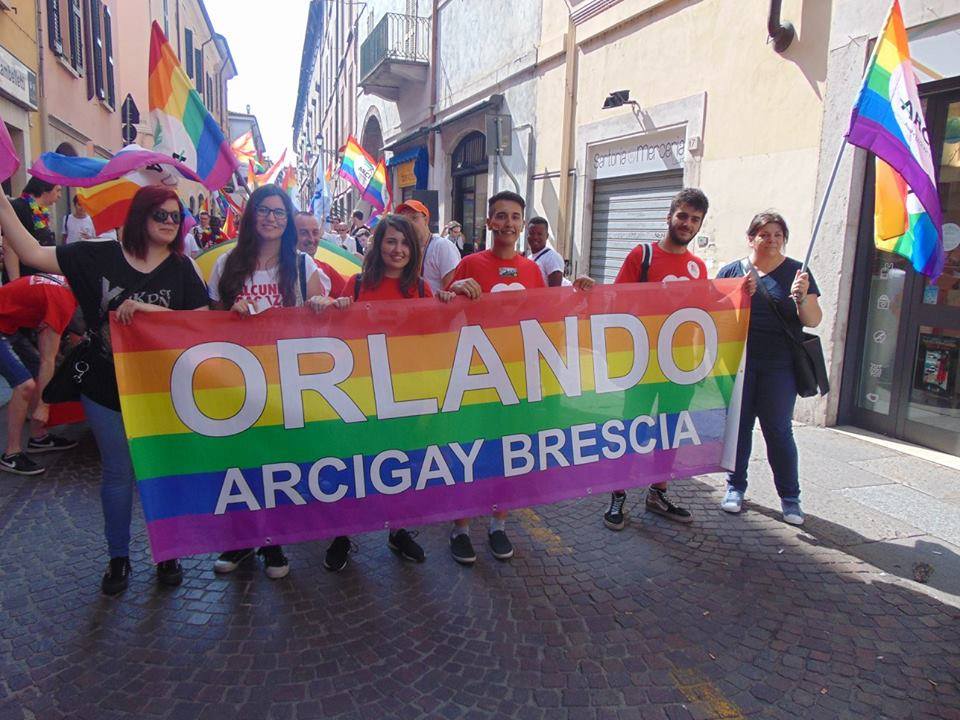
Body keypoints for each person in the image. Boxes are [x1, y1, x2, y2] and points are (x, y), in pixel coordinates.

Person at [0, 185, 210, 595]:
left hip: (162, 388)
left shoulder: (183, 268)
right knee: (117, 471)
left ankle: (168, 553)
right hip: (103, 381)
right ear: (140, 216)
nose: (169, 222)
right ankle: (119, 558)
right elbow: (30, 253)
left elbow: (199, 325)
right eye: (160, 215)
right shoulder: (98, 255)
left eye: (175, 216)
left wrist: (151, 310)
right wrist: (3, 203)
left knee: (160, 471)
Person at [446, 190, 593, 565]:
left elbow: (547, 316)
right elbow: (439, 308)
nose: (508, 223)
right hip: (476, 375)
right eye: (501, 216)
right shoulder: (469, 264)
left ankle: (498, 524)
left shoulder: (532, 271)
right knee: (471, 451)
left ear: (522, 224)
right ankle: (460, 528)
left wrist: (579, 294)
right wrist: (454, 290)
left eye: (515, 217)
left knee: (509, 453)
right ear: (489, 222)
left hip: (517, 378)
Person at [208, 185, 331, 579]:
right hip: (237, 379)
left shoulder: (302, 266)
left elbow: (323, 313)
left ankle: (273, 541)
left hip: (284, 379)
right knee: (240, 462)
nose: (272, 219)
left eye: (280, 213)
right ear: (252, 215)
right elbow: (207, 322)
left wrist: (321, 305)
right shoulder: (227, 263)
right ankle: (241, 539)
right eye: (265, 210)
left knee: (277, 462)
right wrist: (231, 313)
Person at [323, 213, 455, 571]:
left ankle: (398, 531)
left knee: (401, 464)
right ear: (378, 245)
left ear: (414, 250)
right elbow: (332, 333)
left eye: (404, 243)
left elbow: (439, 333)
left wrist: (449, 303)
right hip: (361, 393)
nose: (397, 250)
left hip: (406, 393)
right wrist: (331, 308)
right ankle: (343, 534)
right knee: (354, 464)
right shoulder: (356, 284)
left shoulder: (424, 289)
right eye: (390, 241)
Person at [603, 188, 715, 531]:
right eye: (683, 216)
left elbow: (705, 313)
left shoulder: (698, 266)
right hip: (643, 363)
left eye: (695, 219)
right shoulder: (643, 255)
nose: (687, 224)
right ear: (670, 216)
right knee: (631, 426)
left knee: (670, 430)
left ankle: (658, 492)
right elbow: (617, 303)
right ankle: (618, 494)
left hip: (680, 365)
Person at [716, 211, 821, 525]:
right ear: (751, 238)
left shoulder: (798, 272)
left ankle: (790, 499)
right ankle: (735, 487)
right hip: (740, 364)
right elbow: (715, 319)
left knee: (778, 431)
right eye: (765, 234)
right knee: (740, 428)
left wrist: (802, 299)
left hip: (780, 366)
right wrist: (737, 297)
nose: (772, 240)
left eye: (778, 234)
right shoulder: (732, 271)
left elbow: (813, 320)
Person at [0, 274, 79, 475]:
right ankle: (11, 454)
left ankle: (38, 436)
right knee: (24, 385)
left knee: (36, 370)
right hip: (5, 327)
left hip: (8, 326)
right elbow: (48, 358)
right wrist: (43, 407)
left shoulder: (64, 282)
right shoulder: (63, 299)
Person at [396, 200, 460, 294]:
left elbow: (453, 289)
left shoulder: (441, 246)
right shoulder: (404, 250)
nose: (409, 224)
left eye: (414, 218)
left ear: (426, 220)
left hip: (436, 307)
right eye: (404, 221)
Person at [4, 177, 62, 281]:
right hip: (24, 281)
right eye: (57, 190)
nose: (60, 196)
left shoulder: (41, 212)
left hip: (39, 278)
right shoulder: (19, 207)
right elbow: (9, 246)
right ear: (44, 189)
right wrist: (16, 283)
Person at [293, 211, 347, 297]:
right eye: (304, 233)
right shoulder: (277, 268)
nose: (311, 239)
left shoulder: (326, 269)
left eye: (315, 233)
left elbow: (351, 297)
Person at [526, 217, 568, 287]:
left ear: (547, 236)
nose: (535, 237)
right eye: (531, 233)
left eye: (539, 234)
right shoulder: (529, 258)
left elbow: (555, 292)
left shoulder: (552, 257)